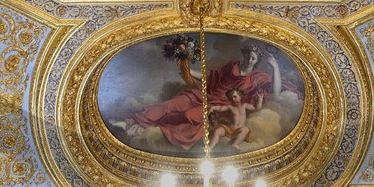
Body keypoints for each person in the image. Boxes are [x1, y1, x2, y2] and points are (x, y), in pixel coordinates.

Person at [117, 42, 281, 151]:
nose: (249, 60)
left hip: (221, 107)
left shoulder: (258, 77)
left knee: (188, 117)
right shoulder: (232, 66)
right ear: (243, 55)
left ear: (256, 61)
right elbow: (210, 76)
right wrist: (187, 71)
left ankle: (148, 128)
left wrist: (275, 67)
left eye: (253, 58)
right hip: (203, 95)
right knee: (171, 104)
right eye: (247, 55)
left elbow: (277, 90)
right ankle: (131, 121)